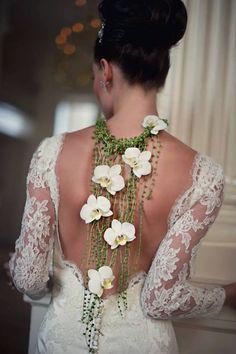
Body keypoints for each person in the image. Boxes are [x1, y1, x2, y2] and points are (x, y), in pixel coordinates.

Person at [8, 0, 236, 353]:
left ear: (106, 70)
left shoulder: (52, 153)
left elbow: (28, 277)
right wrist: (227, 295)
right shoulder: (202, 175)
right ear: (161, 71)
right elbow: (161, 299)